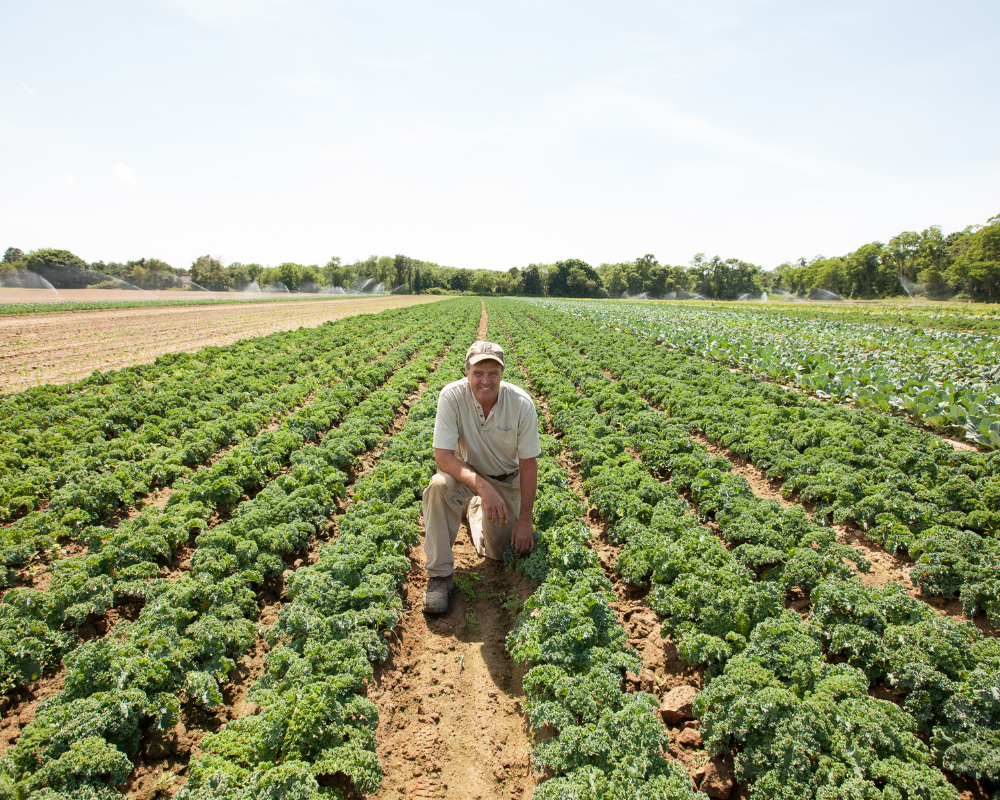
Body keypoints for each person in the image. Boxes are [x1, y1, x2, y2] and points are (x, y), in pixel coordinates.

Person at [421, 341, 540, 613]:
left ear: (502, 375)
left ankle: (473, 510)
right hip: (467, 473)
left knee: (500, 553)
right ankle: (439, 577)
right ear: (466, 373)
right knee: (438, 486)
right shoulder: (451, 396)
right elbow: (443, 458)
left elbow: (529, 464)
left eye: (493, 373)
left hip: (506, 478)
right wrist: (483, 487)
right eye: (478, 373)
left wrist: (525, 519)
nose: (485, 380)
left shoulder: (521, 404)